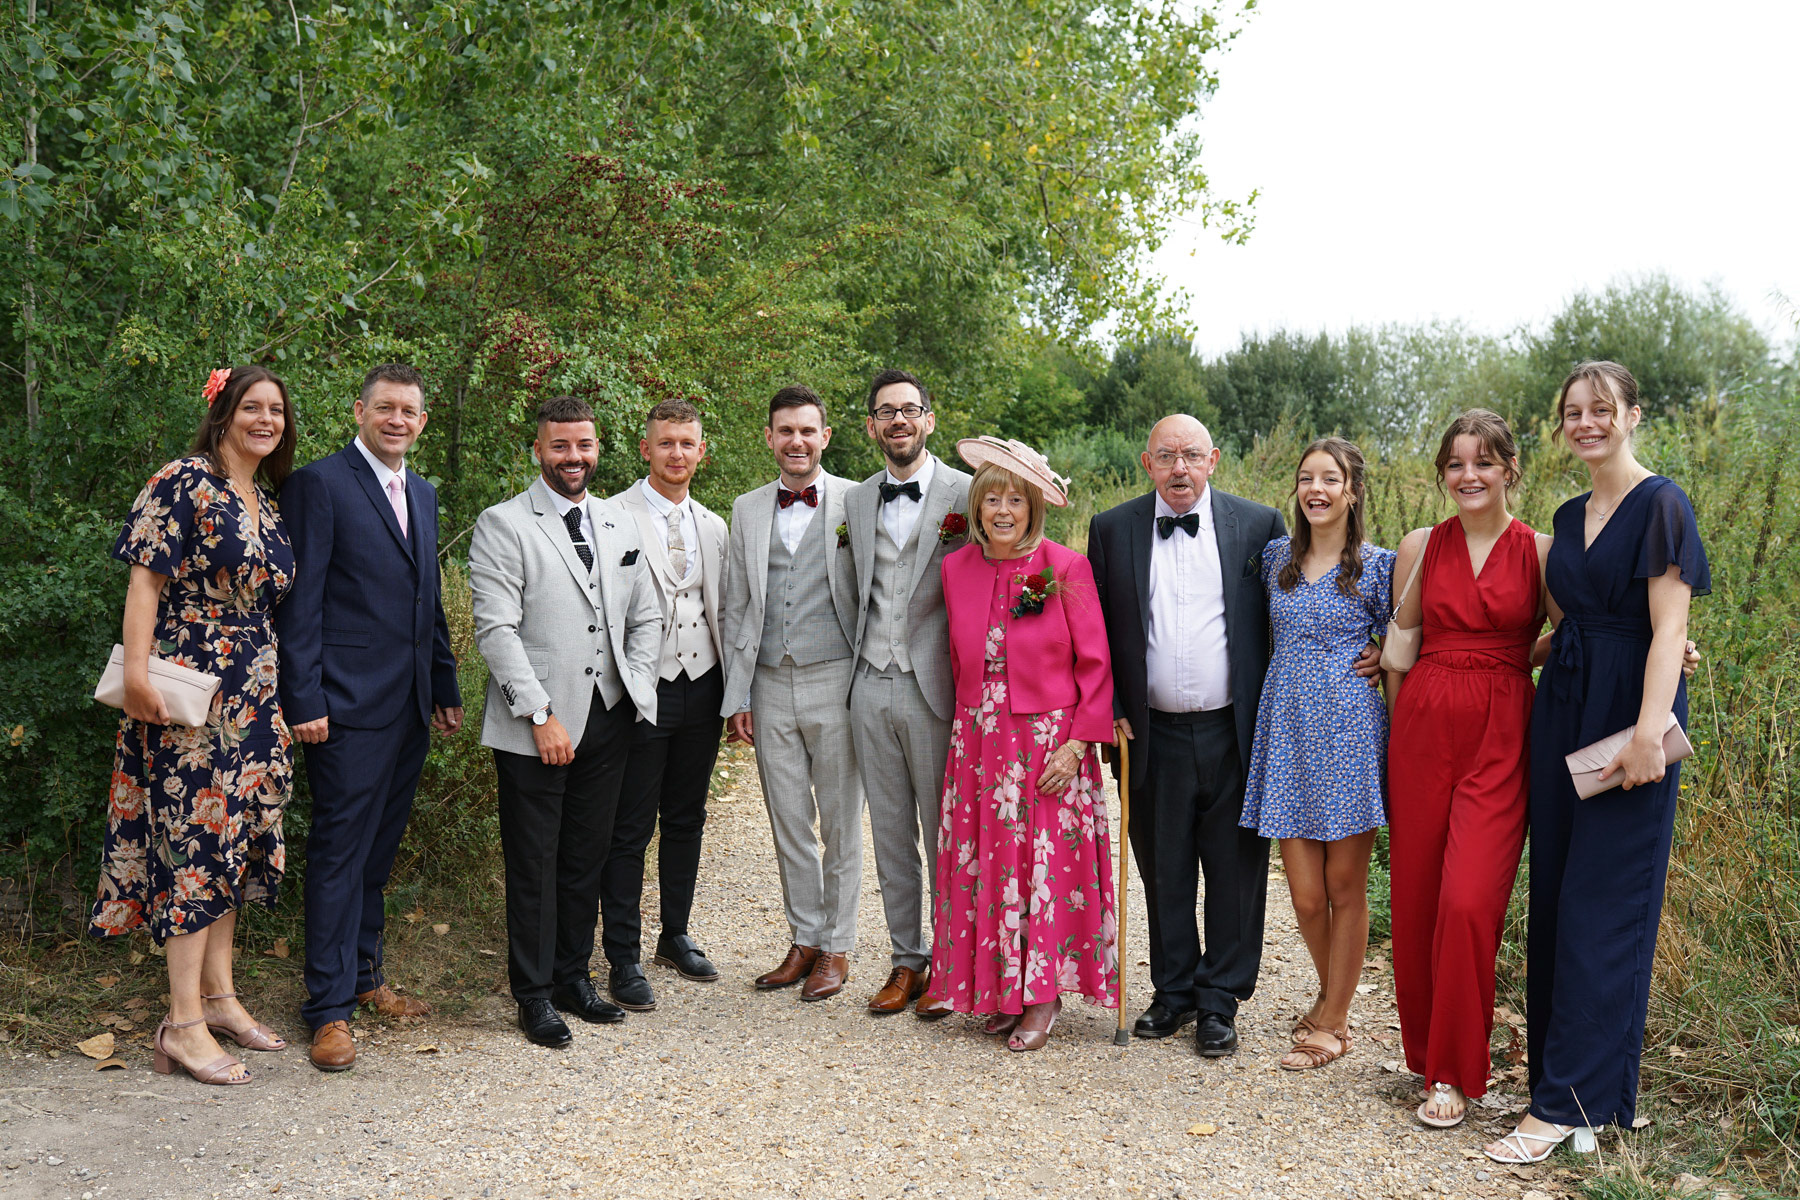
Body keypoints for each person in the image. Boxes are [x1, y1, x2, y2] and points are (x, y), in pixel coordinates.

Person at [1486, 362, 1709, 1164]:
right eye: (1573, 411)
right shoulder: (1567, 514)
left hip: (1629, 719)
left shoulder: (1663, 504)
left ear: (1632, 415)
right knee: (1555, 898)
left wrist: (1650, 731)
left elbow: (1667, 627)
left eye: (1601, 409)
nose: (1585, 423)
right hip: (1564, 708)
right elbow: (1565, 625)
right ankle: (1583, 1095)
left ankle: (1563, 1106)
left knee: (1602, 906)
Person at [91, 365, 298, 1085]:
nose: (265, 420)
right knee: (196, 844)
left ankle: (219, 999)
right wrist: (137, 675)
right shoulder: (184, 480)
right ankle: (181, 1024)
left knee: (233, 845)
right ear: (223, 413)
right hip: (191, 694)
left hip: (255, 696)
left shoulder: (266, 500)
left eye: (276, 410)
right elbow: (144, 581)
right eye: (251, 407)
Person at [276, 363, 464, 1073]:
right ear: (359, 411)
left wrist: (443, 682)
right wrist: (305, 699)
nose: (397, 420)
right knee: (339, 854)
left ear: (422, 421)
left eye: (409, 411)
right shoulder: (319, 485)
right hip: (345, 707)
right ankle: (328, 1010)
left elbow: (426, 599)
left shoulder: (423, 491)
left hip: (409, 704)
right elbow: (301, 604)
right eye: (385, 407)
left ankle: (365, 975)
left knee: (377, 855)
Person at [470, 395, 664, 1048]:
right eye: (560, 446)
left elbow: (647, 616)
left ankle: (572, 977)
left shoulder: (618, 520)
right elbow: (495, 630)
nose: (573, 457)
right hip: (535, 727)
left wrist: (635, 687)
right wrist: (540, 713)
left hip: (610, 717)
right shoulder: (503, 524)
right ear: (539, 450)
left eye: (583, 445)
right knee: (535, 863)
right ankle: (532, 994)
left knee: (586, 857)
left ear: (597, 448)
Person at [923, 436, 1117, 1051]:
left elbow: (1096, 664)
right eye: (992, 500)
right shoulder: (956, 568)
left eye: (1015, 500)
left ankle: (1043, 994)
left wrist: (1077, 746)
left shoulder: (1066, 566)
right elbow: (957, 659)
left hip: (1047, 743)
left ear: (1033, 507)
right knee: (990, 864)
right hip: (979, 741)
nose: (1002, 511)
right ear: (977, 507)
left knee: (1042, 868)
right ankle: (1002, 991)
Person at [1385, 411, 1544, 1124]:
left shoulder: (1542, 550)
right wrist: (1395, 733)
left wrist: (1671, 644)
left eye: (1483, 462)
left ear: (1510, 468)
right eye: (1455, 463)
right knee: (1419, 898)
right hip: (1422, 730)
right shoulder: (1420, 545)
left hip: (1503, 733)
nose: (1469, 475)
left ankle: (1457, 1067)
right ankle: (1431, 1064)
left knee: (1469, 901)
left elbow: (1580, 632)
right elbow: (1401, 647)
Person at [1240, 436, 1394, 1071]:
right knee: (1304, 895)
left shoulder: (1378, 566)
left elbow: (1408, 639)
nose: (1316, 489)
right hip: (1286, 731)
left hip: (1349, 732)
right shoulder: (1276, 557)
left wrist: (1385, 655)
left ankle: (1332, 1020)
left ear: (1352, 491)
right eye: (1307, 478)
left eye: (1330, 479)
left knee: (1343, 884)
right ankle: (1333, 998)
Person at [719, 385, 864, 1001]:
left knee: (841, 821)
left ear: (825, 437)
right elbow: (735, 605)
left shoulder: (857, 500)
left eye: (807, 430)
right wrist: (738, 695)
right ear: (770, 437)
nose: (796, 441)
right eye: (786, 430)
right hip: (769, 680)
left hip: (837, 676)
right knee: (787, 821)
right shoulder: (747, 508)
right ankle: (804, 939)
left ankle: (837, 946)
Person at [844, 368, 972, 1018]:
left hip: (936, 688)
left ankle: (952, 962)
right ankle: (907, 960)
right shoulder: (854, 502)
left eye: (909, 409)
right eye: (886, 412)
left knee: (944, 830)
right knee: (890, 833)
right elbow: (846, 587)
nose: (898, 420)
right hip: (870, 683)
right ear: (872, 426)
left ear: (929, 419)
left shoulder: (969, 494)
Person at [598, 400, 729, 1011]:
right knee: (629, 825)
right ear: (645, 448)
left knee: (685, 817)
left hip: (702, 685)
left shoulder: (715, 526)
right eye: (666, 442)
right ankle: (622, 956)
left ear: (702, 452)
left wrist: (736, 693)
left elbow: (727, 610)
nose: (677, 453)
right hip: (639, 690)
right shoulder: (611, 515)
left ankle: (674, 934)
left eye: (687, 443)